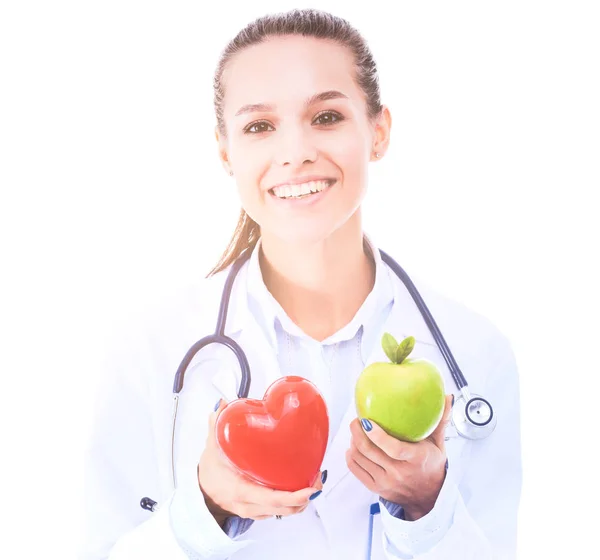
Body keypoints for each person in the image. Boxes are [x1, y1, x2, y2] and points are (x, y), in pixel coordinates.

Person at [79, 8, 521, 560]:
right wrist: (204, 508)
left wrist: (428, 509)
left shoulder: (475, 352)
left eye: (327, 116)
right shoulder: (149, 349)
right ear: (225, 152)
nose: (296, 152)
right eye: (260, 126)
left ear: (378, 131)